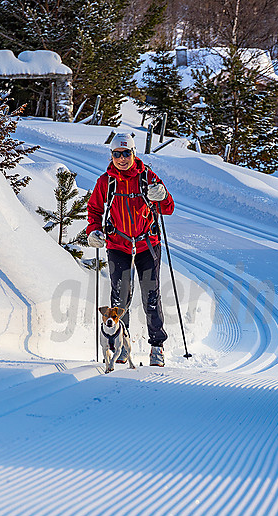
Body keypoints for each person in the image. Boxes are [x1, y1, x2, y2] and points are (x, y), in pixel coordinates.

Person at [86, 132, 175, 367]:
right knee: (119, 299)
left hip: (147, 245)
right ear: (111, 155)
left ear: (134, 153)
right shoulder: (106, 181)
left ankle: (157, 347)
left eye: (126, 153)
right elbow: (94, 209)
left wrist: (162, 196)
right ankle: (121, 345)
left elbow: (168, 208)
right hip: (118, 245)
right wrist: (93, 231)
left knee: (151, 296)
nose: (122, 158)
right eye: (117, 154)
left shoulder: (148, 177)